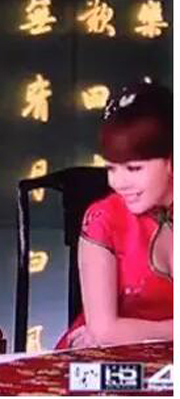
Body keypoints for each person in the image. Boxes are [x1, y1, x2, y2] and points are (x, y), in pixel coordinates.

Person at [57, 82, 172, 349]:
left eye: (133, 168)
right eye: (111, 169)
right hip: (106, 356)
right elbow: (105, 332)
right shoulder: (103, 219)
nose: (118, 183)